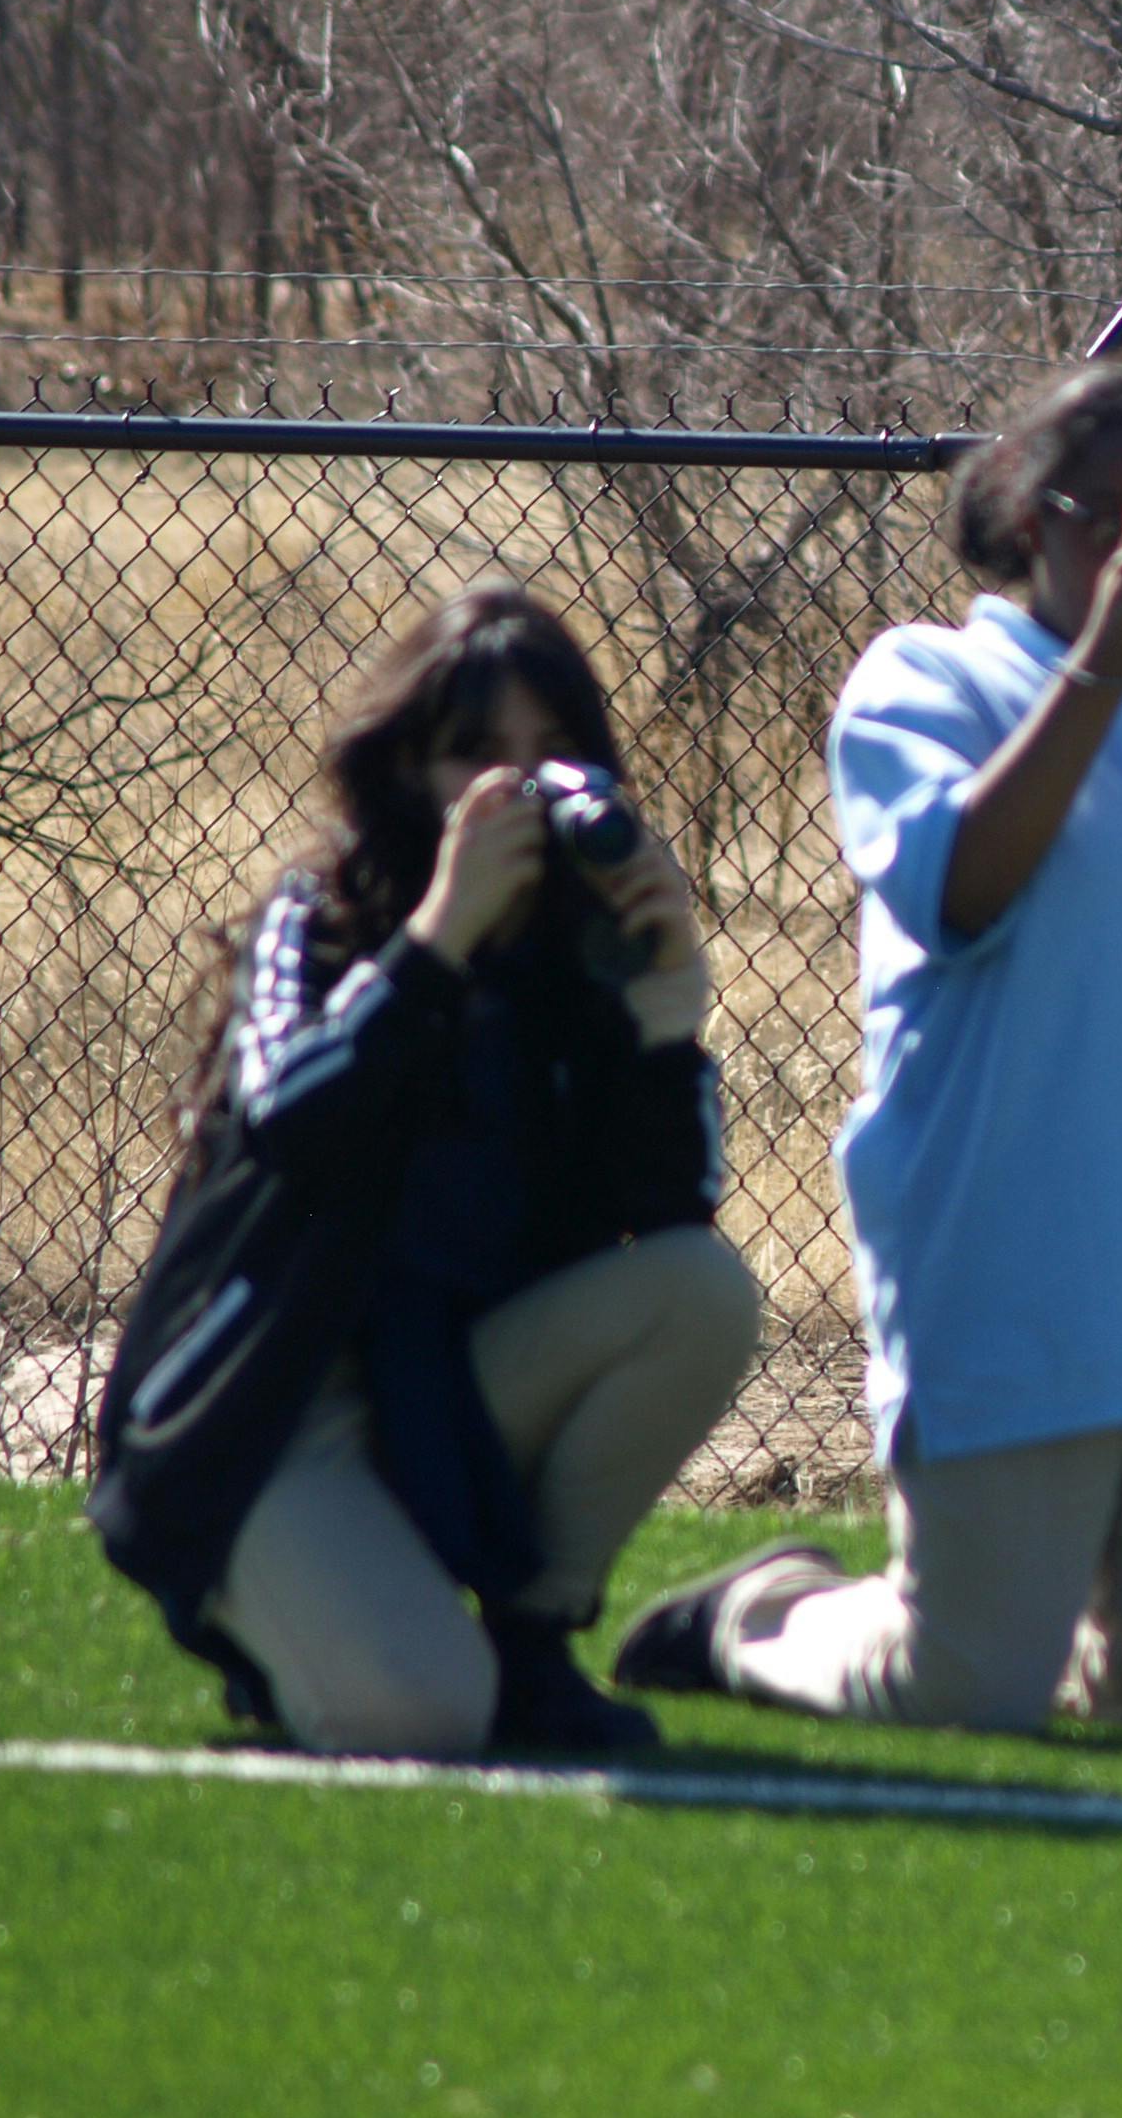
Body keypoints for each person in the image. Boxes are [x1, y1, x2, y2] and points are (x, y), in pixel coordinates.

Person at [614, 356, 1122, 1730]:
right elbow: (960, 887)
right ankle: (768, 1614)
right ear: (1038, 522)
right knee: (963, 1685)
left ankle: (1058, 1621)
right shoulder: (929, 681)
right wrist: (1098, 666)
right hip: (1011, 1271)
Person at [89, 584, 760, 1756]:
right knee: (422, 1718)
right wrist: (436, 945)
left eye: (554, 755)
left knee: (701, 1292)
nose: (521, 790)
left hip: (446, 1391)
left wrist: (665, 1019)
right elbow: (287, 1121)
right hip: (274, 1409)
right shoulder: (325, 917)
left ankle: (533, 1643)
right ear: (407, 775)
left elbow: (667, 1219)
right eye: (477, 759)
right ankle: (289, 1635)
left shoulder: (581, 956)